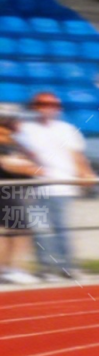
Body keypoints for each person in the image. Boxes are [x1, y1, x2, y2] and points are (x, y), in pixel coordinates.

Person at [16, 92, 94, 280]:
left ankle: (68, 267)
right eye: (42, 104)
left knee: (61, 228)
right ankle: (46, 268)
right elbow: (21, 153)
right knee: (40, 229)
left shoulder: (67, 129)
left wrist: (85, 173)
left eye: (52, 104)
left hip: (61, 185)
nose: (47, 108)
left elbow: (78, 156)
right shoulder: (25, 129)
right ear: (34, 106)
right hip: (35, 187)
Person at [0, 111, 43, 284]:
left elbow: (30, 163)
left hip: (13, 192)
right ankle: (11, 269)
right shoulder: (3, 144)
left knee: (14, 232)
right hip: (5, 192)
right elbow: (10, 165)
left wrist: (30, 167)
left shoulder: (12, 143)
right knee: (18, 231)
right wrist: (30, 168)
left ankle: (8, 269)